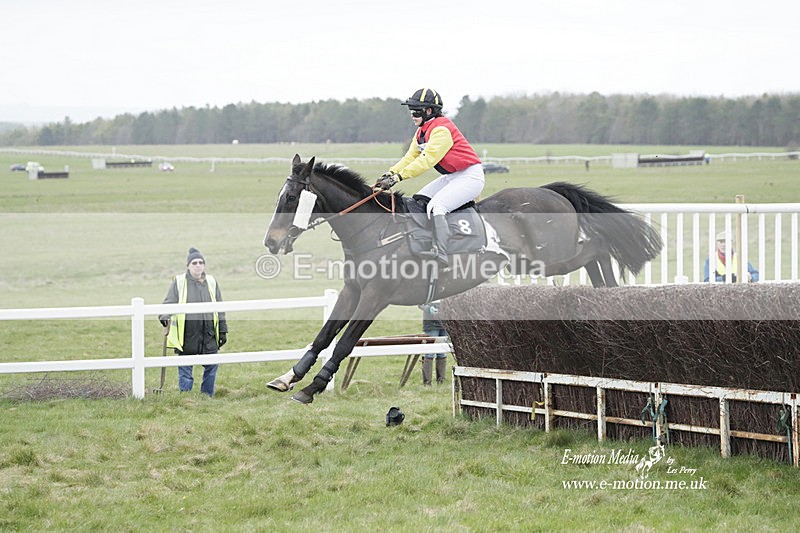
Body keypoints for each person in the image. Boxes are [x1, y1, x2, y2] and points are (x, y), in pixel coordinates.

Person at [375, 88, 485, 267]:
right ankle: (425, 239)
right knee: (419, 200)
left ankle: (442, 253)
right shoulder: (421, 131)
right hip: (453, 176)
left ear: (429, 111)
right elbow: (410, 157)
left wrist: (399, 177)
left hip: (470, 177)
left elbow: (426, 160)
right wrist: (390, 173)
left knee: (436, 207)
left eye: (416, 110)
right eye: (411, 110)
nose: (412, 115)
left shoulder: (441, 130)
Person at [159, 247, 228, 396]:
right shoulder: (179, 282)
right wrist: (164, 316)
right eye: (194, 263)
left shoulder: (211, 281)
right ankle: (185, 397)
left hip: (208, 333)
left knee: (211, 366)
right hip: (187, 333)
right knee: (185, 368)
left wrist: (223, 329)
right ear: (188, 266)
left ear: (204, 265)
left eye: (201, 262)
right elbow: (169, 302)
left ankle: (206, 395)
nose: (198, 265)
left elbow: (220, 306)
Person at [418, 303, 448, 386]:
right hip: (431, 325)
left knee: (442, 352)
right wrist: (429, 309)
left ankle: (441, 381)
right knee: (429, 353)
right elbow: (420, 303)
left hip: (445, 323)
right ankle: (427, 383)